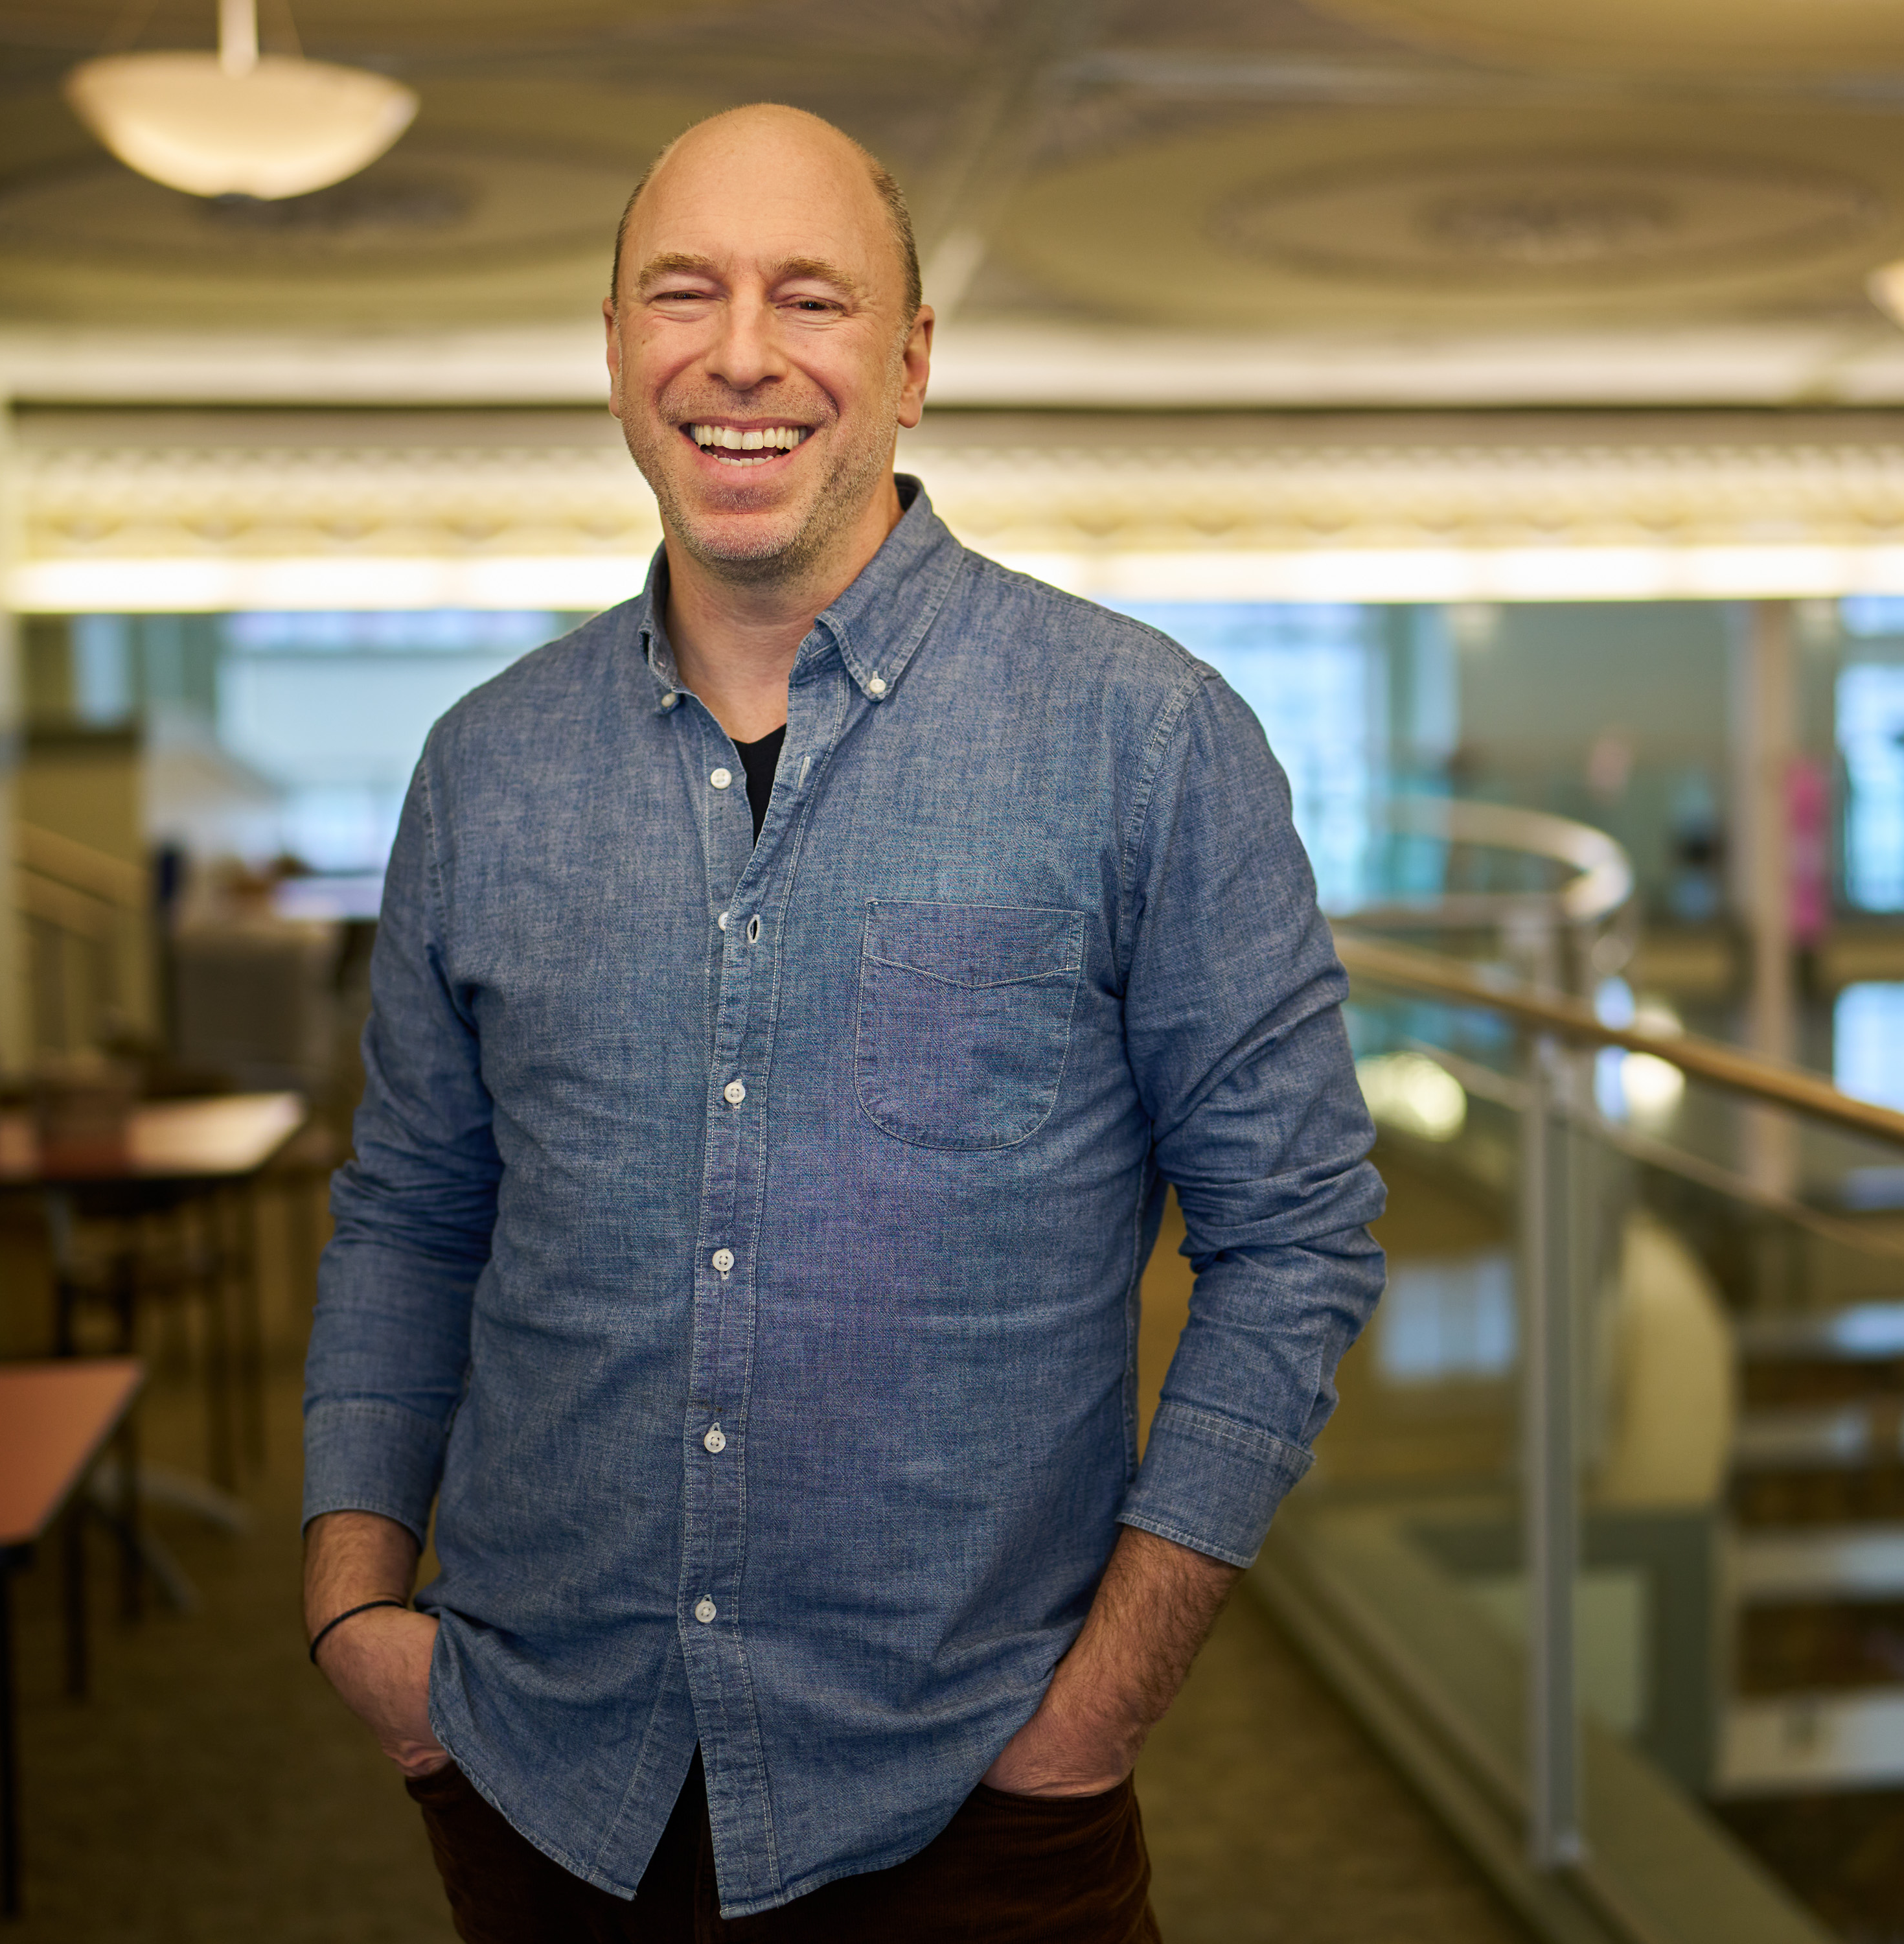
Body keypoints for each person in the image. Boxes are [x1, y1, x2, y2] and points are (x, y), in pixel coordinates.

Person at [300, 102, 1384, 1943]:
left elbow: (1294, 1238)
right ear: (618, 349)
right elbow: (412, 1209)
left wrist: (1093, 1713)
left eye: (808, 298)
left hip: (970, 1804)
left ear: (908, 360)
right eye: (682, 294)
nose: (739, 354)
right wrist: (352, 1615)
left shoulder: (1144, 738)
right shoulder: (481, 769)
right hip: (540, 1782)